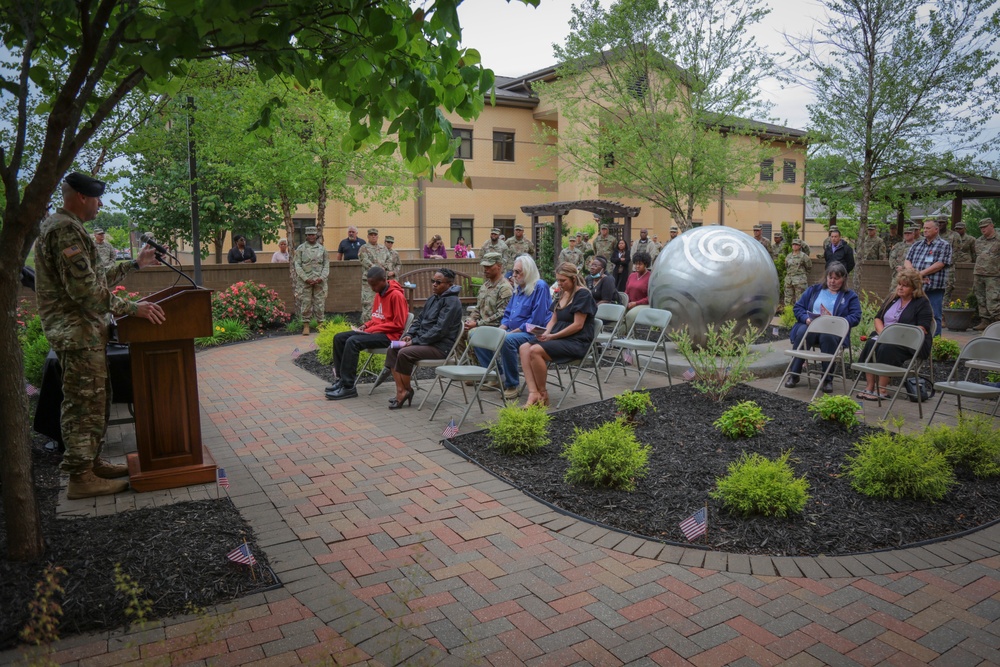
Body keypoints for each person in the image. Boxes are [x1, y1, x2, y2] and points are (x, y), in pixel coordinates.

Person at [35, 172, 166, 499]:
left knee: (96, 400)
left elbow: (94, 276)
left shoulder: (71, 229)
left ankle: (90, 463)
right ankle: (81, 477)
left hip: (86, 332)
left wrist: (134, 264)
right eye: (97, 198)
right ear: (81, 197)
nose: (101, 204)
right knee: (83, 403)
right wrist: (132, 308)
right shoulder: (64, 230)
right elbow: (85, 290)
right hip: (76, 333)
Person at [518, 263, 598, 407]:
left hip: (576, 341)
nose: (559, 283)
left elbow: (578, 325)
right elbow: (553, 319)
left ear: (573, 279)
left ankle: (543, 394)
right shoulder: (562, 292)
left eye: (563, 280)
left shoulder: (583, 294)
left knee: (535, 351)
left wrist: (552, 337)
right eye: (558, 280)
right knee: (524, 348)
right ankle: (533, 393)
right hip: (558, 337)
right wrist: (545, 333)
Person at [383, 268, 463, 408]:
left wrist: (415, 342)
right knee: (392, 348)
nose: (434, 284)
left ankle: (405, 391)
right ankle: (402, 390)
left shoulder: (452, 302)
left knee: (404, 353)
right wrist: (409, 335)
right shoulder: (433, 298)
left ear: (449, 285)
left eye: (438, 282)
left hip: (440, 347)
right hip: (424, 342)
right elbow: (419, 320)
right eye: (433, 281)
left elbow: (440, 330)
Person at [325, 266, 409, 400]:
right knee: (339, 338)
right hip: (377, 332)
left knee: (353, 342)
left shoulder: (396, 296)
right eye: (370, 285)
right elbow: (376, 319)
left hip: (391, 336)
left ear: (384, 280)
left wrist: (373, 329)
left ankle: (349, 387)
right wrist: (365, 326)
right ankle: (341, 380)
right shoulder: (379, 294)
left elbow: (399, 324)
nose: (372, 288)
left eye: (374, 285)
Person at [784, 262, 862, 393]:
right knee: (803, 331)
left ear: (844, 279)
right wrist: (806, 319)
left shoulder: (850, 296)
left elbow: (856, 316)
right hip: (811, 326)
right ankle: (794, 374)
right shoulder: (814, 290)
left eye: (836, 278)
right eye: (830, 277)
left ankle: (827, 379)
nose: (832, 281)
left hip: (833, 331)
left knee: (828, 337)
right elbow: (798, 308)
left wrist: (837, 322)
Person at [856, 268, 933, 401]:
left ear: (914, 288)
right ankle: (870, 386)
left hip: (910, 342)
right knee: (870, 343)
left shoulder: (922, 303)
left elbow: (923, 328)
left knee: (887, 348)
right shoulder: (892, 298)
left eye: (905, 285)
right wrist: (883, 334)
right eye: (899, 284)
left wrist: (896, 336)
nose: (900, 288)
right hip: (886, 336)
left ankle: (883, 390)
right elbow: (878, 318)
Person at [491, 256, 551, 400]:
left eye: (518, 272)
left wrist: (517, 330)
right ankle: (498, 377)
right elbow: (508, 312)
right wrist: (503, 326)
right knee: (478, 334)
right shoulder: (519, 288)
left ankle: (512, 384)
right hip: (513, 331)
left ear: (528, 272)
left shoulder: (539, 286)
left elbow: (538, 319)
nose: (514, 276)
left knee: (507, 340)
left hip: (534, 332)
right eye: (514, 272)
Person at [905, 218, 952, 336]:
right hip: (916, 288)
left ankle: (934, 344)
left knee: (934, 316)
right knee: (912, 314)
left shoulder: (944, 245)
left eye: (928, 228)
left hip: (933, 289)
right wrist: (912, 273)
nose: (925, 230)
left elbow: (940, 264)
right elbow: (907, 260)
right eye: (924, 228)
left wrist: (920, 274)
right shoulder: (917, 245)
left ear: (936, 230)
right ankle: (914, 341)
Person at [466, 252, 513, 368]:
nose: (485, 269)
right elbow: (478, 308)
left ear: (499, 266)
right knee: (459, 330)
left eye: (489, 266)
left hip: (496, 326)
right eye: (484, 266)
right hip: (482, 324)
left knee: (473, 333)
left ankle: (492, 371)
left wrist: (477, 324)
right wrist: (470, 320)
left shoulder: (505, 287)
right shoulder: (485, 285)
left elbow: (502, 314)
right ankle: (473, 366)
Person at [293, 226, 329, 335]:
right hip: (305, 282)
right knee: (306, 303)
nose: (311, 237)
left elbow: (326, 265)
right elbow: (297, 265)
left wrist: (321, 277)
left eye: (313, 235)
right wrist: (306, 278)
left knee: (320, 304)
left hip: (319, 282)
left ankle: (320, 325)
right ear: (306, 236)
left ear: (316, 236)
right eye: (309, 235)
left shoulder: (322, 249)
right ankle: (306, 326)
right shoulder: (300, 249)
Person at [358, 228, 390, 321]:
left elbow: (389, 260)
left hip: (382, 281)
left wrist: (386, 268)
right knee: (368, 304)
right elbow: (365, 261)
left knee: (383, 302)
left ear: (377, 236)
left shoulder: (383, 248)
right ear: (368, 236)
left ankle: (380, 324)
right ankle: (366, 325)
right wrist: (378, 270)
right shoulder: (364, 248)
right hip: (369, 282)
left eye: (375, 235)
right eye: (371, 235)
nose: (373, 236)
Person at [973, 217, 999, 330]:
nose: (983, 230)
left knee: (993, 299)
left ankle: (997, 323)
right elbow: (976, 255)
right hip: (978, 273)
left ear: (991, 225)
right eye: (981, 228)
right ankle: (985, 321)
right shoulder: (978, 241)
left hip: (994, 275)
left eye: (985, 227)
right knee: (980, 298)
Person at [946, 220, 977, 305]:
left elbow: (974, 252)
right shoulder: (951, 238)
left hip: (966, 263)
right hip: (953, 262)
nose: (958, 230)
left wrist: (974, 263)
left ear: (965, 229)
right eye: (957, 229)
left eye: (960, 229)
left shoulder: (971, 239)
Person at [783, 239, 812, 308]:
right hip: (789, 281)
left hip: (800, 281)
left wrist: (802, 275)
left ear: (800, 246)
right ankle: (788, 314)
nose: (795, 246)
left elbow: (809, 266)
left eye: (796, 245)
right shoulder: (789, 256)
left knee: (800, 299)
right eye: (793, 244)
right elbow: (786, 266)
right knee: (788, 299)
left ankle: (799, 315)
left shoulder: (804, 256)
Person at [888, 226, 917, 291]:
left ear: (913, 234)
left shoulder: (917, 246)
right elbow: (892, 257)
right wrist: (896, 267)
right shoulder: (898, 245)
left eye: (909, 233)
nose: (907, 235)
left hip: (911, 275)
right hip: (897, 274)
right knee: (893, 292)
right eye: (905, 233)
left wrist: (904, 268)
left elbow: (918, 260)